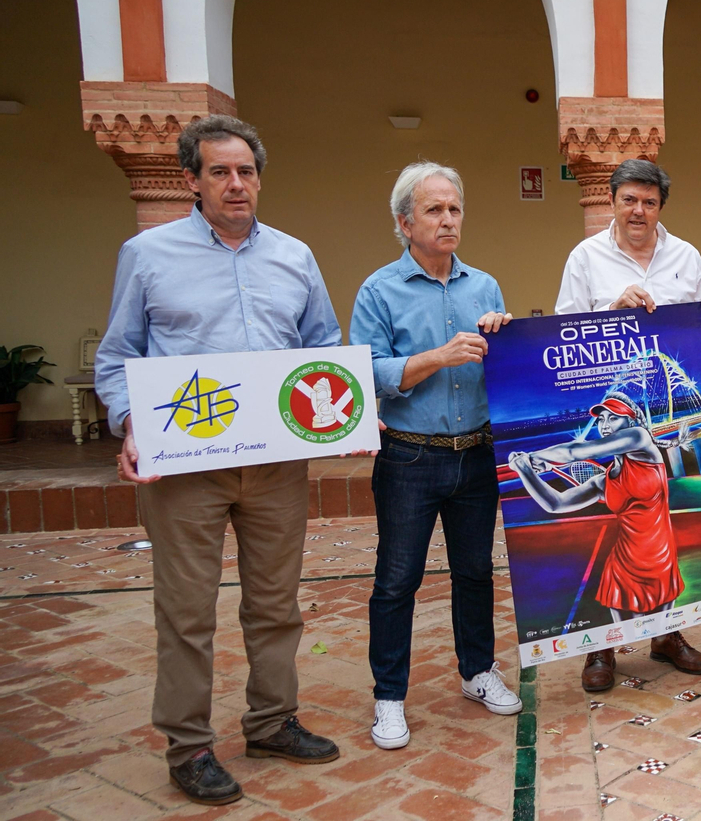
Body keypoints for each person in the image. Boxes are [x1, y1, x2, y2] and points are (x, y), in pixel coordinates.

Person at [95, 115, 342, 806]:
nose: (237, 184)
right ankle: (189, 743)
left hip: (275, 463)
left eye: (247, 171)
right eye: (220, 172)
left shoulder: (294, 256)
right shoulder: (147, 254)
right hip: (184, 465)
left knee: (275, 601)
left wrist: (343, 412)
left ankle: (271, 720)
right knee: (186, 609)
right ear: (190, 181)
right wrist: (131, 424)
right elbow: (118, 356)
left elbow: (321, 345)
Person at [350, 161, 523, 752]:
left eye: (455, 209)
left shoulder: (485, 285)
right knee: (398, 579)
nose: (448, 220)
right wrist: (438, 356)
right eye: (434, 210)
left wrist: (504, 337)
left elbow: (503, 368)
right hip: (409, 458)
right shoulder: (379, 290)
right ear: (405, 222)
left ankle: (477, 671)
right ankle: (389, 698)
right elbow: (365, 373)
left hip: (476, 453)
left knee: (475, 571)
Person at [554, 159, 701, 691]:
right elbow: (562, 336)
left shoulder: (687, 257)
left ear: (660, 206)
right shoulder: (586, 258)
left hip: (667, 418)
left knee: (664, 531)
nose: (638, 211)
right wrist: (611, 308)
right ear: (612, 200)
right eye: (629, 199)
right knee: (606, 531)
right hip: (610, 417)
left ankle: (667, 635)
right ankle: (601, 649)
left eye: (649, 202)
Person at [507, 393, 693, 618]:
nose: (605, 425)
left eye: (613, 418)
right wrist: (525, 470)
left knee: (663, 630)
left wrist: (533, 456)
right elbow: (555, 504)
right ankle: (603, 653)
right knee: (626, 633)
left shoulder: (640, 437)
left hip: (661, 561)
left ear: (630, 421)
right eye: (601, 420)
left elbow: (576, 451)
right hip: (624, 567)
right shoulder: (602, 482)